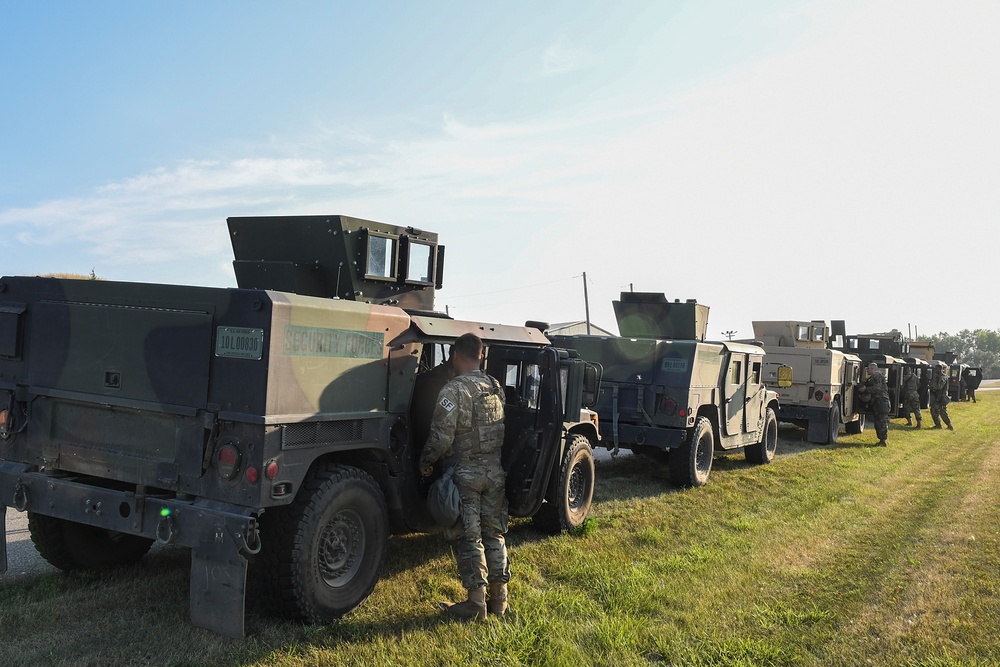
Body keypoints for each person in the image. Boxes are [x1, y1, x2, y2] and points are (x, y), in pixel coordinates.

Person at [420, 333, 510, 620]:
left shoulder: (453, 390)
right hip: (494, 473)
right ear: (481, 355)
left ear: (455, 355)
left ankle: (475, 604)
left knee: (470, 537)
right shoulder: (495, 387)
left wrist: (426, 461)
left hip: (467, 474)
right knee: (494, 533)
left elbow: (441, 436)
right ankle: (500, 602)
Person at [857, 362, 890, 446]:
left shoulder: (877, 377)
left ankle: (883, 441)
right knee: (878, 422)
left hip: (881, 402)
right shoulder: (873, 378)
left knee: (881, 422)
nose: (867, 370)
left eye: (868, 369)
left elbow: (877, 388)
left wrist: (866, 389)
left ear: (872, 369)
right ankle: (882, 440)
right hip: (878, 403)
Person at [928, 365, 954, 430]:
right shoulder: (938, 376)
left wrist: (931, 386)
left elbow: (939, 386)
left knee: (942, 412)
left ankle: (949, 425)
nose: (935, 370)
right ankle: (938, 425)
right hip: (937, 397)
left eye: (936, 369)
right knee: (934, 411)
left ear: (940, 369)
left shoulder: (943, 377)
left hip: (941, 397)